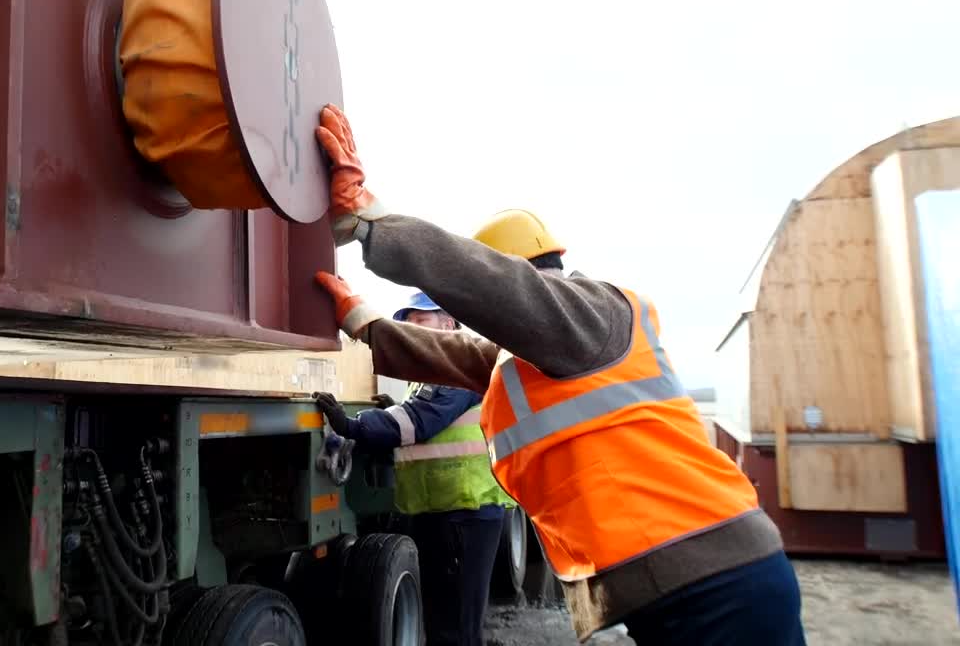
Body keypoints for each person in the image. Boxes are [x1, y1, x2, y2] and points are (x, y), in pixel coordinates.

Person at [308, 103, 806, 645]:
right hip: (686, 580)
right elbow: (452, 354)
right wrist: (364, 321)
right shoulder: (530, 355)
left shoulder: (594, 313)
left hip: (716, 578)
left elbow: (495, 286)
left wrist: (371, 223)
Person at [314, 291, 514, 646]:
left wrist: (353, 426)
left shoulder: (457, 367)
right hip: (448, 510)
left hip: (463, 513)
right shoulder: (435, 372)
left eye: (421, 321)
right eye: (409, 324)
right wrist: (392, 411)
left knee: (454, 630)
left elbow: (418, 421)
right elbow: (423, 424)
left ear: (449, 324)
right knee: (444, 624)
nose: (413, 330)